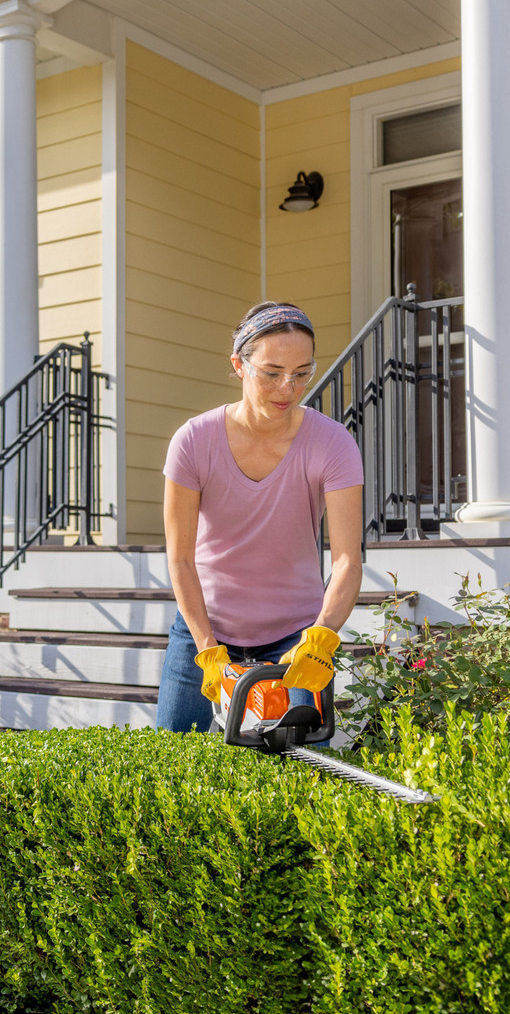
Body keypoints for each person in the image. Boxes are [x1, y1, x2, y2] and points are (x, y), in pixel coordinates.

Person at [156, 302, 364, 732]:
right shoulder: (194, 441)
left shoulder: (333, 444)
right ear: (238, 365)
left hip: (297, 638)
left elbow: (347, 560)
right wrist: (206, 647)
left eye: (302, 373)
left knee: (297, 775)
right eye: (271, 373)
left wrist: (322, 634)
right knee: (175, 763)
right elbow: (179, 558)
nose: (288, 388)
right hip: (206, 632)